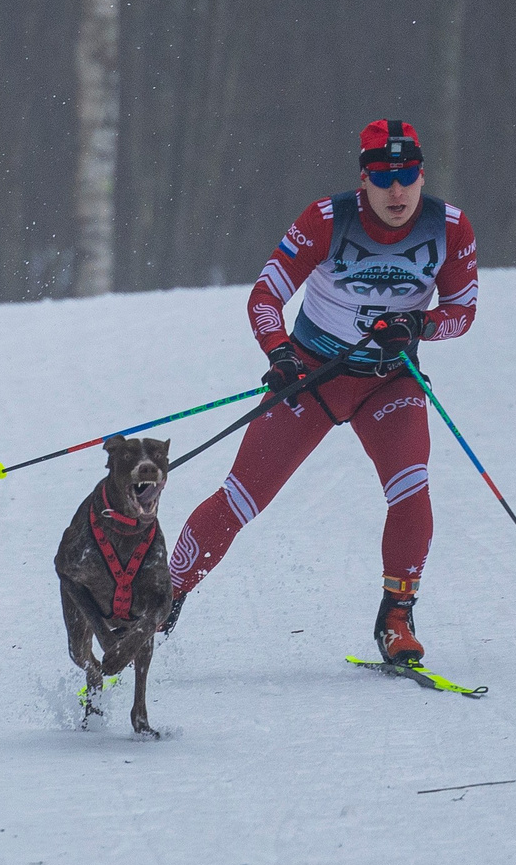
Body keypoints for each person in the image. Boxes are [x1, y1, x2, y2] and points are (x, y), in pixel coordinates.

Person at [164, 118, 478, 663]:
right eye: (383, 177)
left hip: (388, 381)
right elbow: (265, 295)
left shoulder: (449, 227)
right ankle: (161, 599)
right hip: (312, 375)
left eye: (407, 175)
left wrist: (421, 325)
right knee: (241, 498)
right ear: (363, 180)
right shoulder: (327, 219)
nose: (397, 190)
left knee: (411, 488)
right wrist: (279, 353)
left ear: (422, 176)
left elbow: (463, 312)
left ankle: (396, 618)